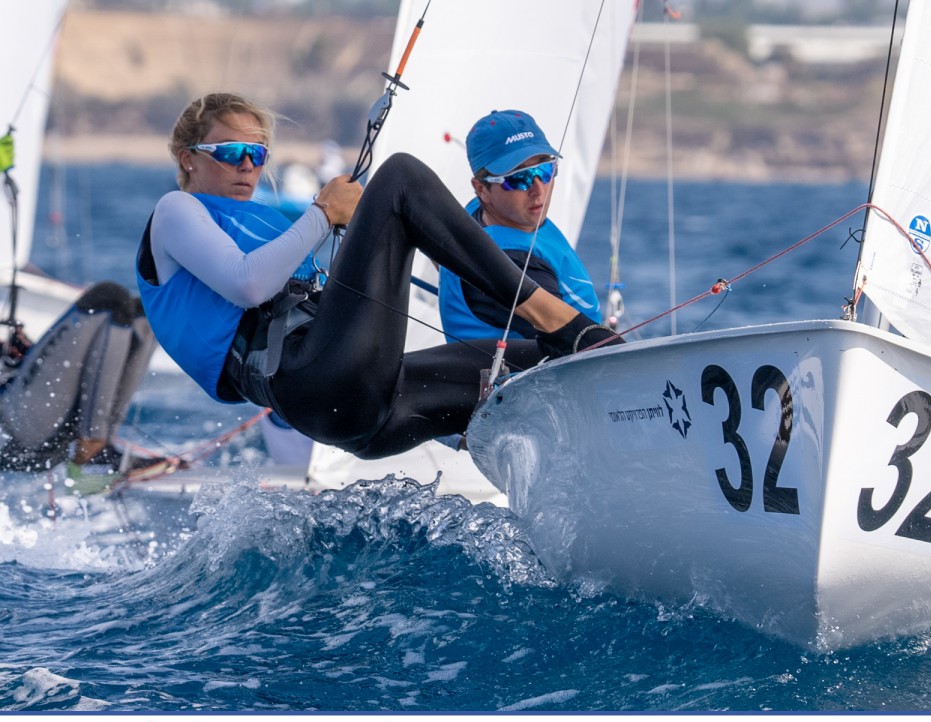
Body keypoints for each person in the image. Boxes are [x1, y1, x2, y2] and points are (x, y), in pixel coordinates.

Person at [136, 93, 622, 461]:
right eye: (230, 151)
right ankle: (555, 317)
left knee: (545, 366)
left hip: (372, 411)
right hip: (313, 385)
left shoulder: (260, 220)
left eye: (257, 154)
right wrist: (324, 213)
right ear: (187, 157)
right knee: (401, 178)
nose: (246, 164)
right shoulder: (176, 210)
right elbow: (248, 285)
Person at [439, 109, 601, 343]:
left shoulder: (475, 212)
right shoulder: (515, 263)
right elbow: (575, 344)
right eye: (519, 178)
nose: (538, 189)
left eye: (545, 170)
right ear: (482, 189)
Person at [0, 281, 159, 495]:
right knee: (110, 299)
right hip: (15, 434)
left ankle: (101, 448)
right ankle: (94, 441)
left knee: (145, 312)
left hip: (31, 423)